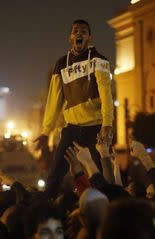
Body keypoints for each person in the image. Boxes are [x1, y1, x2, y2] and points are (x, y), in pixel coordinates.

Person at [35, 19, 114, 199]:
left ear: (89, 37)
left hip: (94, 128)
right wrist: (46, 131)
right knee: (54, 175)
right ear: (70, 37)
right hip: (71, 130)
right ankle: (46, 209)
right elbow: (53, 100)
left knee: (100, 176)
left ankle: (105, 209)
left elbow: (106, 95)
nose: (79, 33)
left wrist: (107, 124)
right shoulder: (61, 64)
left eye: (84, 31)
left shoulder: (99, 60)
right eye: (76, 31)